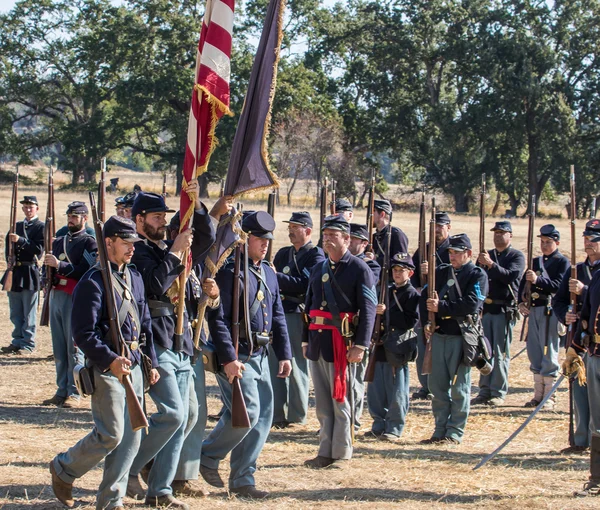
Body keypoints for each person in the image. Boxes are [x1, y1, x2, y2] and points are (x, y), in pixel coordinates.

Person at [49, 215, 160, 510]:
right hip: (107, 368)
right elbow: (83, 333)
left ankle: (111, 501)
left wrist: (153, 363)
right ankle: (64, 468)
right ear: (108, 242)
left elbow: (144, 322)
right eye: (126, 242)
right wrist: (110, 361)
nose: (132, 248)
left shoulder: (133, 276)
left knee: (132, 439)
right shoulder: (93, 281)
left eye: (133, 242)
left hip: (134, 365)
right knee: (111, 434)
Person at [126, 188, 218, 509]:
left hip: (181, 338)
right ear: (139, 221)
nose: (163, 222)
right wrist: (174, 253)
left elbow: (204, 236)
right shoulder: (135, 251)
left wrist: (196, 201)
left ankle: (160, 490)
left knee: (189, 414)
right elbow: (154, 286)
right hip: (156, 338)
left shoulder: (167, 246)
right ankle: (128, 468)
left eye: (165, 216)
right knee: (173, 413)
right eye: (156, 217)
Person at [200, 211, 292, 499]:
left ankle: (242, 479)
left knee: (262, 418)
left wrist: (285, 354)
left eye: (267, 240)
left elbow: (277, 315)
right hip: (237, 355)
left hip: (261, 355)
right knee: (247, 413)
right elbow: (218, 318)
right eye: (258, 239)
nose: (265, 245)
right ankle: (206, 455)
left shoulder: (267, 272)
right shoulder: (229, 273)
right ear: (244, 238)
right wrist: (228, 358)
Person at [303, 215, 377, 468]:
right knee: (323, 401)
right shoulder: (318, 268)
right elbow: (310, 306)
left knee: (341, 399)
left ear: (346, 239)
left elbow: (368, 310)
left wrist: (361, 344)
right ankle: (325, 450)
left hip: (343, 343)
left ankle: (342, 452)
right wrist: (305, 339)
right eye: (325, 236)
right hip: (318, 341)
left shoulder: (359, 269)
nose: (328, 241)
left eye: (333, 236)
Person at [168, 212, 221, 498]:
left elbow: (199, 305)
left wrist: (211, 295)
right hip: (169, 344)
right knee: (176, 415)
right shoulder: (168, 259)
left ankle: (181, 476)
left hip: (192, 343)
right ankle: (154, 465)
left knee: (195, 414)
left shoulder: (195, 263)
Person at [420, 233, 488, 445]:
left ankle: (455, 432)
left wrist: (442, 307)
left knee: (459, 388)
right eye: (450, 252)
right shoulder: (440, 272)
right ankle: (439, 429)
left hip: (462, 337)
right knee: (437, 387)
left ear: (468, 253)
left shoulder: (477, 275)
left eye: (457, 253)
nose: (452, 256)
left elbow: (472, 304)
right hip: (440, 334)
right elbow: (425, 298)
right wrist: (426, 322)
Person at [271, 211, 325, 428]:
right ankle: (277, 413)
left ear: (308, 231)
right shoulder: (283, 253)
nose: (291, 231)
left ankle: (296, 415)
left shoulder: (316, 255)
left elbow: (306, 283)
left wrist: (278, 277)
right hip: (279, 310)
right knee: (276, 362)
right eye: (290, 227)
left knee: (295, 363)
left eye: (296, 227)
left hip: (296, 312)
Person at [43, 201, 98, 408]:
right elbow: (47, 267)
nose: (71, 219)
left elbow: (86, 270)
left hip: (74, 295)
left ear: (85, 218)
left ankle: (74, 392)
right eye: (69, 216)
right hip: (57, 295)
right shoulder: (59, 241)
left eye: (75, 216)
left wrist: (60, 265)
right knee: (58, 346)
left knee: (73, 347)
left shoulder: (88, 243)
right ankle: (61, 389)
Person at [554, 219, 600, 452]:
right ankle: (581, 439)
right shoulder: (577, 270)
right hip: (579, 340)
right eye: (586, 238)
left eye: (593, 239)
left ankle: (595, 441)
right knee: (580, 391)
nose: (588, 243)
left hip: (596, 340)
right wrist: (566, 316)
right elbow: (559, 301)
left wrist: (584, 291)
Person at [472, 221, 525, 407]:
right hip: (486, 309)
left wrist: (491, 264)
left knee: (500, 353)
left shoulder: (516, 256)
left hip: (504, 310)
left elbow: (510, 276)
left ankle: (498, 391)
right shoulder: (488, 255)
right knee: (484, 351)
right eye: (496, 232)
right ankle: (484, 390)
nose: (498, 236)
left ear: (510, 235)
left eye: (502, 232)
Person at [367, 252, 419, 441]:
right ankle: (378, 424)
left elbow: (410, 321)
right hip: (381, 344)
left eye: (401, 270)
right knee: (376, 389)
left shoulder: (412, 295)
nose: (397, 273)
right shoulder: (385, 291)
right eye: (395, 270)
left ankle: (394, 427)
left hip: (398, 345)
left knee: (397, 389)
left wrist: (386, 312)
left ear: (410, 273)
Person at [518, 224, 569, 409]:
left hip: (550, 311)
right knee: (535, 352)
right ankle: (537, 395)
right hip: (535, 310)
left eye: (548, 242)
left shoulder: (562, 262)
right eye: (542, 242)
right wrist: (520, 302)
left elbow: (558, 286)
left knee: (549, 352)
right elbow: (523, 284)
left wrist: (538, 280)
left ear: (557, 242)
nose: (545, 245)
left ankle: (549, 397)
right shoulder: (536, 262)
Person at [569, 245, 600, 497]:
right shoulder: (598, 275)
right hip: (595, 354)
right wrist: (575, 348)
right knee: (598, 422)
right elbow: (587, 315)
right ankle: (597, 479)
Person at [410, 211, 452, 400]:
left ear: (448, 228)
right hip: (424, 304)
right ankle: (425, 386)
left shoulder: (454, 249)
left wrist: (432, 270)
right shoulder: (424, 249)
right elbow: (412, 275)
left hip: (444, 305)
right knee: (423, 346)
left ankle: (441, 387)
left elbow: (451, 273)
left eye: (440, 226)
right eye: (433, 227)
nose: (436, 230)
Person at [1, 196, 44, 354]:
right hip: (16, 272)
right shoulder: (16, 226)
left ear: (37, 208)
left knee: (29, 311)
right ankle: (17, 340)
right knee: (16, 310)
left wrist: (20, 240)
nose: (27, 209)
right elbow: (8, 249)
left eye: (30, 207)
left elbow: (38, 250)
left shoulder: (41, 227)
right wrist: (9, 264)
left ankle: (28, 343)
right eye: (25, 207)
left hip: (29, 272)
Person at [348, 223, 381, 432]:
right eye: (348, 237)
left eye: (354, 239)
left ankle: (353, 420)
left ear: (364, 243)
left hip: (358, 327)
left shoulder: (372, 266)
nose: (349, 241)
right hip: (339, 327)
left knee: (355, 380)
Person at [371, 199, 408, 276]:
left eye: (373, 211)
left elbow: (401, 263)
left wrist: (376, 260)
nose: (370, 215)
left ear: (382, 214)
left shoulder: (396, 235)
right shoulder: (374, 237)